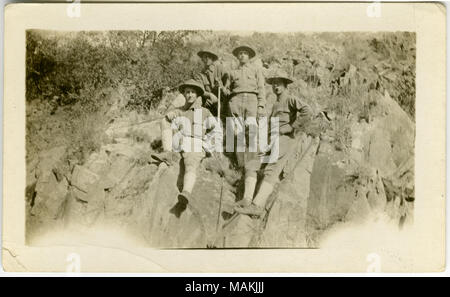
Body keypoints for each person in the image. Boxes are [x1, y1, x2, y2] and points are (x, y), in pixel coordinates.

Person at [234, 71, 314, 216]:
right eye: (274, 84)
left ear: (285, 85)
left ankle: (257, 206)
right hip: (272, 139)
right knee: (252, 164)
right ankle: (247, 199)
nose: (276, 86)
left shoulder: (290, 99)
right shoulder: (276, 103)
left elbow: (307, 110)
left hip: (284, 139)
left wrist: (292, 126)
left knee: (271, 169)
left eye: (279, 83)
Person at [159, 79, 219, 212]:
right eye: (187, 92)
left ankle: (186, 193)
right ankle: (167, 153)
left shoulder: (204, 112)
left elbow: (216, 130)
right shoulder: (179, 110)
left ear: (197, 95)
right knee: (164, 120)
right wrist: (169, 116)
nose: (190, 95)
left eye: (193, 92)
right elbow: (167, 121)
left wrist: (208, 146)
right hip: (180, 143)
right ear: (184, 95)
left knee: (190, 164)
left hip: (196, 144)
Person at [222, 45, 267, 209]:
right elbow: (227, 89)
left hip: (251, 101)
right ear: (237, 56)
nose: (242, 55)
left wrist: (261, 106)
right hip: (236, 101)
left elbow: (261, 88)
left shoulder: (256, 70)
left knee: (251, 130)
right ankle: (242, 165)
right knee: (238, 133)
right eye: (240, 53)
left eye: (245, 53)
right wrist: (225, 90)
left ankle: (253, 160)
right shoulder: (232, 73)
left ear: (249, 56)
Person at [194, 50, 228, 116]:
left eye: (209, 57)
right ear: (202, 59)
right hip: (208, 100)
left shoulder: (219, 68)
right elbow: (200, 90)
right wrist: (209, 96)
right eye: (205, 57)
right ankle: (197, 123)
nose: (207, 59)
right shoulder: (199, 74)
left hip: (221, 99)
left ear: (212, 59)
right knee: (198, 101)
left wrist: (224, 87)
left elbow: (228, 78)